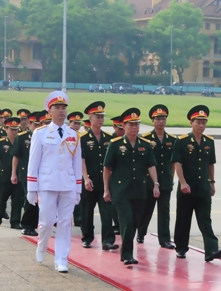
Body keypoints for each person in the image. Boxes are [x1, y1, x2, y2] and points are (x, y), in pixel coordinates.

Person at [27, 91, 82, 272]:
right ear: (49, 111)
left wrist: (78, 188)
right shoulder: (41, 133)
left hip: (67, 183)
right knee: (47, 221)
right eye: (57, 108)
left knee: (65, 223)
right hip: (47, 183)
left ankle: (61, 259)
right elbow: (33, 162)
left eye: (63, 108)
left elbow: (76, 162)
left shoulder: (73, 134)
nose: (61, 111)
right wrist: (31, 188)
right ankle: (42, 245)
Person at [103, 108, 160, 265]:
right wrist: (106, 189)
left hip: (139, 190)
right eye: (131, 124)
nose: (134, 127)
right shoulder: (115, 144)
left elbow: (151, 166)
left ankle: (126, 252)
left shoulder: (146, 145)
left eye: (137, 124)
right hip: (120, 190)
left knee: (135, 222)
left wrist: (156, 183)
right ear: (124, 126)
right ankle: (127, 254)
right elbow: (107, 168)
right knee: (127, 220)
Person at [171, 105, 221, 262]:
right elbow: (177, 163)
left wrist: (212, 183)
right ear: (191, 123)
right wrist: (182, 182)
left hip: (203, 187)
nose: (201, 125)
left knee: (205, 219)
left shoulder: (209, 141)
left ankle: (211, 250)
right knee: (183, 219)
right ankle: (181, 247)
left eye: (204, 122)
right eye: (198, 122)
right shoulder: (182, 141)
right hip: (187, 187)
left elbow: (210, 164)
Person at [137, 104, 177, 250]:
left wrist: (171, 178)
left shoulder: (172, 139)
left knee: (164, 210)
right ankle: (141, 232)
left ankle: (165, 239)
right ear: (152, 120)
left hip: (165, 180)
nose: (161, 121)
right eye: (158, 119)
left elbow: (173, 162)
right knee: (146, 209)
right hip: (148, 181)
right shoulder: (146, 139)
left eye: (163, 118)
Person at [80, 101, 117, 250]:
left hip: (105, 183)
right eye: (97, 116)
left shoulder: (109, 138)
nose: (100, 119)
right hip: (90, 180)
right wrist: (85, 178)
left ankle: (107, 241)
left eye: (102, 117)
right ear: (90, 118)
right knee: (87, 212)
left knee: (107, 212)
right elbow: (81, 160)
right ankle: (87, 238)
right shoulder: (83, 139)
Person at [0, 118, 24, 228]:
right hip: (4, 175)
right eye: (11, 129)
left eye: (16, 129)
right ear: (6, 129)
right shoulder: (0, 142)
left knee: (18, 200)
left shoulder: (22, 142)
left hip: (19, 176)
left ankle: (15, 221)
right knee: (2, 198)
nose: (14, 132)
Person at [15, 111, 40, 236]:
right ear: (30, 124)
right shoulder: (22, 137)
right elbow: (16, 156)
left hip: (40, 174)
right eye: (35, 124)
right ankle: (26, 225)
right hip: (26, 173)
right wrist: (14, 173)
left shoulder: (42, 136)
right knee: (30, 199)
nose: (37, 127)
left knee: (37, 201)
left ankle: (33, 225)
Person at [67, 111, 85, 228]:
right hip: (67, 171)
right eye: (75, 123)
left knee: (77, 196)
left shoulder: (81, 137)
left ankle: (78, 219)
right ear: (69, 123)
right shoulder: (66, 135)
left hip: (77, 170)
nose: (77, 126)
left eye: (79, 123)